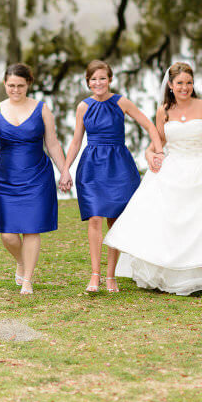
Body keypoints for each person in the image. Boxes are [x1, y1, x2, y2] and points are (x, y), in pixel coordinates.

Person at [106, 62, 202, 296]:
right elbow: (157, 143)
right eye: (179, 83)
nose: (184, 87)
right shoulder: (164, 111)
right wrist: (149, 155)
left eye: (189, 83)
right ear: (170, 85)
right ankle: (171, 272)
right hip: (173, 167)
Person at [61, 60, 163, 293]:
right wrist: (66, 168)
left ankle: (110, 276)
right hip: (91, 167)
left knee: (115, 221)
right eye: (93, 79)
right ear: (88, 82)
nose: (98, 83)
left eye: (102, 78)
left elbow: (149, 125)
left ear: (110, 79)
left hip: (119, 166)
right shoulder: (83, 107)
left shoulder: (121, 102)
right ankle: (95, 275)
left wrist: (158, 151)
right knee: (95, 218)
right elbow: (76, 140)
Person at [0, 63, 71, 295]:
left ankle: (27, 280)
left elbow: (52, 143)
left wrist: (64, 171)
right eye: (11, 85)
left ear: (28, 85)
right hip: (6, 178)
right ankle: (21, 262)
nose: (15, 89)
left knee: (32, 230)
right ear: (4, 84)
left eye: (20, 85)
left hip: (37, 176)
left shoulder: (41, 109)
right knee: (8, 234)